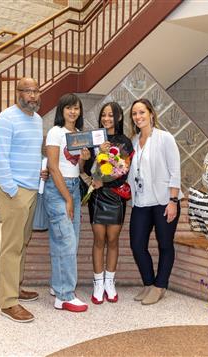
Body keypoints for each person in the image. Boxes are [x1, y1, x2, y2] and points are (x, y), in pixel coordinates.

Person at [0, 78, 47, 323]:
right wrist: (13, 191)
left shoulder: (38, 120)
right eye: (28, 91)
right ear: (17, 93)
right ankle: (8, 302)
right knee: (11, 246)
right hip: (13, 191)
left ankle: (16, 286)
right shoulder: (6, 119)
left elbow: (32, 153)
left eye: (36, 91)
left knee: (23, 242)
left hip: (32, 188)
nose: (33, 95)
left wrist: (39, 172)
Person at [127, 98, 183, 305]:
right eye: (134, 114)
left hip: (163, 201)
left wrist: (173, 200)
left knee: (165, 244)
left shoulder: (165, 138)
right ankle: (149, 283)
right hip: (141, 202)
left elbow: (175, 170)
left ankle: (160, 286)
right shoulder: (133, 141)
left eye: (142, 112)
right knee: (137, 245)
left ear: (151, 114)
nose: (138, 116)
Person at [81, 102, 133, 304]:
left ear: (118, 118)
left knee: (112, 240)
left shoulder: (125, 142)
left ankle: (110, 282)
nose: (107, 119)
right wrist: (92, 156)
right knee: (98, 240)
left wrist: (105, 179)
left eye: (111, 115)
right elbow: (86, 171)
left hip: (116, 196)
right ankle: (98, 283)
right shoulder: (95, 139)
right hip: (98, 195)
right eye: (104, 115)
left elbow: (123, 171)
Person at [44, 93, 90, 312]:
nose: (73, 112)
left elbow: (76, 168)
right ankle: (64, 296)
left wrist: (84, 159)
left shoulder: (79, 134)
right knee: (67, 242)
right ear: (61, 110)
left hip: (73, 187)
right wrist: (68, 198)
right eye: (69, 108)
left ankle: (58, 285)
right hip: (58, 190)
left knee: (65, 241)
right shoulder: (55, 132)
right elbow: (53, 167)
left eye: (76, 108)